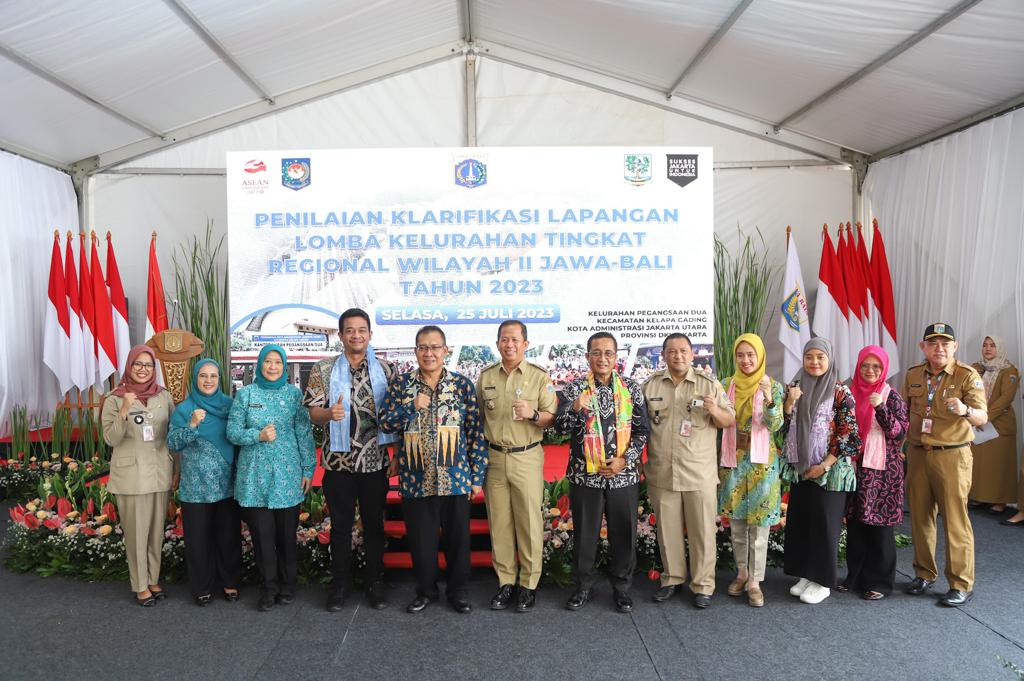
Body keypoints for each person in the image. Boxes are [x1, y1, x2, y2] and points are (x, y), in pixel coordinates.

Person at [379, 325, 487, 614]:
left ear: (445, 350)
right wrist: (411, 407)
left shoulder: (462, 385)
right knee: (421, 542)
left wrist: (477, 477)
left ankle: (458, 592)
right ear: (415, 351)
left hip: (456, 478)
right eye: (423, 347)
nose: (429, 353)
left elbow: (475, 433)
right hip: (416, 479)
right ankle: (426, 591)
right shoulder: (401, 385)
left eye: (435, 347)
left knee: (458, 541)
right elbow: (385, 423)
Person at [304, 308, 398, 611]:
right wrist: (329, 413)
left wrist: (396, 454)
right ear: (341, 335)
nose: (356, 335)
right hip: (338, 463)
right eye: (349, 330)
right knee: (341, 527)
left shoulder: (386, 369)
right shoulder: (323, 369)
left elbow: (396, 417)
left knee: (374, 525)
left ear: (370, 334)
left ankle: (375, 583)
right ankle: (339, 585)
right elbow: (312, 412)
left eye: (361, 330)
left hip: (375, 461)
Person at [556, 332, 649, 613]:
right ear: (587, 357)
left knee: (624, 532)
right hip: (585, 475)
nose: (603, 358)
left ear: (616, 356)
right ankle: (583, 586)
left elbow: (642, 431)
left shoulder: (631, 388)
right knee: (585, 534)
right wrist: (574, 408)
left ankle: (622, 588)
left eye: (608, 353)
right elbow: (559, 428)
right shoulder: (573, 389)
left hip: (623, 475)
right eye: (596, 353)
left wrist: (625, 460)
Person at [644, 333, 734, 609]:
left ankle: (703, 585)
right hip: (663, 472)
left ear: (692, 354)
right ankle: (672, 579)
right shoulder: (650, 385)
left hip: (698, 473)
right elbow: (636, 425)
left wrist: (714, 409)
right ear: (664, 355)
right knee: (667, 532)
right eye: (672, 351)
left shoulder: (709, 384)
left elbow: (728, 420)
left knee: (702, 533)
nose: (678, 356)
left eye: (683, 351)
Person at [903, 323, 988, 606]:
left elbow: (982, 417)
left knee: (955, 520)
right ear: (923, 347)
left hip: (952, 455)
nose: (939, 348)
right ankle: (924, 573)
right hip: (918, 453)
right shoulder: (914, 375)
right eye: (933, 343)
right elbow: (904, 413)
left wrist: (965, 410)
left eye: (945, 343)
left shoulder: (967, 375)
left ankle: (960, 584)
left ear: (954, 346)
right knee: (920, 517)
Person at [228, 344, 315, 612]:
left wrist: (308, 469)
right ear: (260, 364)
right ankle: (268, 588)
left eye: (278, 362)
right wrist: (257, 435)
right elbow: (232, 432)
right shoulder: (246, 394)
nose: (273, 366)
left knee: (286, 536)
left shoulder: (294, 395)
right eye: (268, 361)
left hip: (287, 477)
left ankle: (288, 585)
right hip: (255, 478)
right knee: (263, 538)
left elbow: (304, 433)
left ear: (284, 365)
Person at [477, 320, 557, 613]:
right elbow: (478, 417)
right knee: (499, 522)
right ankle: (506, 581)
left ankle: (528, 584)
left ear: (526, 344)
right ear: (497, 343)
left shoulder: (539, 377)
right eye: (504, 339)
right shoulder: (486, 377)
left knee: (529, 522)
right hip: (494, 458)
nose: (509, 344)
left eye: (514, 340)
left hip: (526, 456)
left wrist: (533, 414)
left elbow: (551, 418)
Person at [781, 338, 860, 605]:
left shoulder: (840, 392)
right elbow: (783, 427)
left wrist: (824, 465)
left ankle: (823, 581)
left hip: (830, 470)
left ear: (829, 360)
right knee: (802, 522)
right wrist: (789, 404)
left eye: (820, 357)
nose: (814, 362)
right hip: (801, 468)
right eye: (809, 357)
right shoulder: (795, 387)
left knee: (825, 525)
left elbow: (849, 435)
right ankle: (806, 574)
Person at [100, 345, 176, 607]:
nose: (143, 369)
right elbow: (110, 439)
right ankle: (140, 585)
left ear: (154, 368)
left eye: (148, 365)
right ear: (129, 366)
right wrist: (124, 410)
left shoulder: (163, 396)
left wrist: (177, 469)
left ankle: (153, 579)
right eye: (138, 364)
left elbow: (173, 435)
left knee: (155, 533)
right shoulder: (114, 398)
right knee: (136, 535)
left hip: (159, 472)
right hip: (132, 477)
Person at [167, 359, 243, 607]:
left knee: (228, 536)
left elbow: (240, 437)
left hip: (226, 484)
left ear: (219, 379)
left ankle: (230, 582)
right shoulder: (184, 409)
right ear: (195, 379)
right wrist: (191, 425)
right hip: (195, 487)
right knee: (198, 540)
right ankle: (202, 587)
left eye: (213, 376)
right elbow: (172, 443)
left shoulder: (230, 406)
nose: (208, 380)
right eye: (203, 376)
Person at [718, 333, 786, 608]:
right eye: (740, 355)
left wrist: (769, 399)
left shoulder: (773, 386)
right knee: (737, 524)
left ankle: (756, 581)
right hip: (733, 461)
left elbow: (776, 425)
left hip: (762, 465)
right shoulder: (725, 385)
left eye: (750, 355)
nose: (745, 360)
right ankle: (742, 574)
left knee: (759, 527)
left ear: (760, 357)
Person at [842, 346, 908, 600]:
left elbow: (898, 433)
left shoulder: (891, 396)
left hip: (883, 472)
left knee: (879, 527)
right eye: (865, 365)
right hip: (855, 468)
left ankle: (879, 583)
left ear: (884, 369)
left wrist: (880, 407)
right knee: (856, 525)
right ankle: (855, 577)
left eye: (876, 367)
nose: (870, 370)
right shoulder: (850, 393)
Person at [969, 335, 1019, 516]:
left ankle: (1000, 500)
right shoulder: (976, 367)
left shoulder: (1009, 370)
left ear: (1000, 348)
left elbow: (1005, 399)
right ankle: (978, 496)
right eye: (985, 345)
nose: (988, 348)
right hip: (978, 423)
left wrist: (983, 417)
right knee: (979, 463)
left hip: (999, 424)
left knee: (999, 464)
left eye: (992, 345)